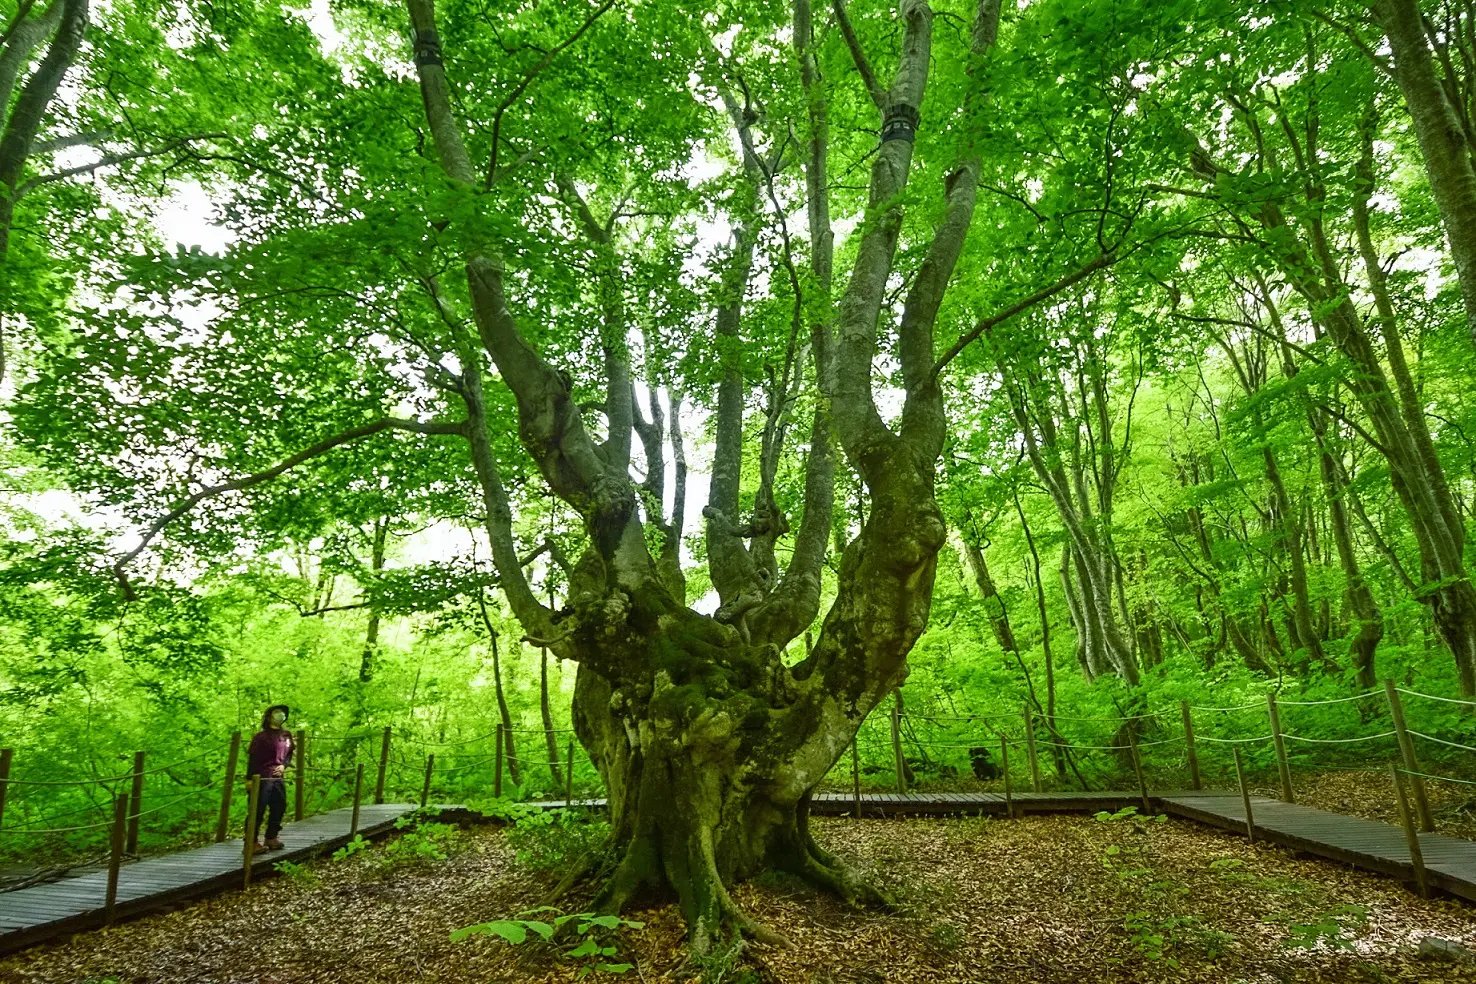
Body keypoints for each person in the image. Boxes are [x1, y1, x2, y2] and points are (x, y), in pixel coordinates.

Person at [247, 704, 295, 850]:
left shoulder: (286, 735)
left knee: (279, 806)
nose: (280, 714)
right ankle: (251, 842)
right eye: (276, 712)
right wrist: (249, 779)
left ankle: (271, 837)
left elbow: (289, 755)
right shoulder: (260, 737)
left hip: (278, 777)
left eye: (282, 712)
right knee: (258, 808)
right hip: (261, 777)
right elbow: (253, 758)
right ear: (269, 716)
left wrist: (283, 766)